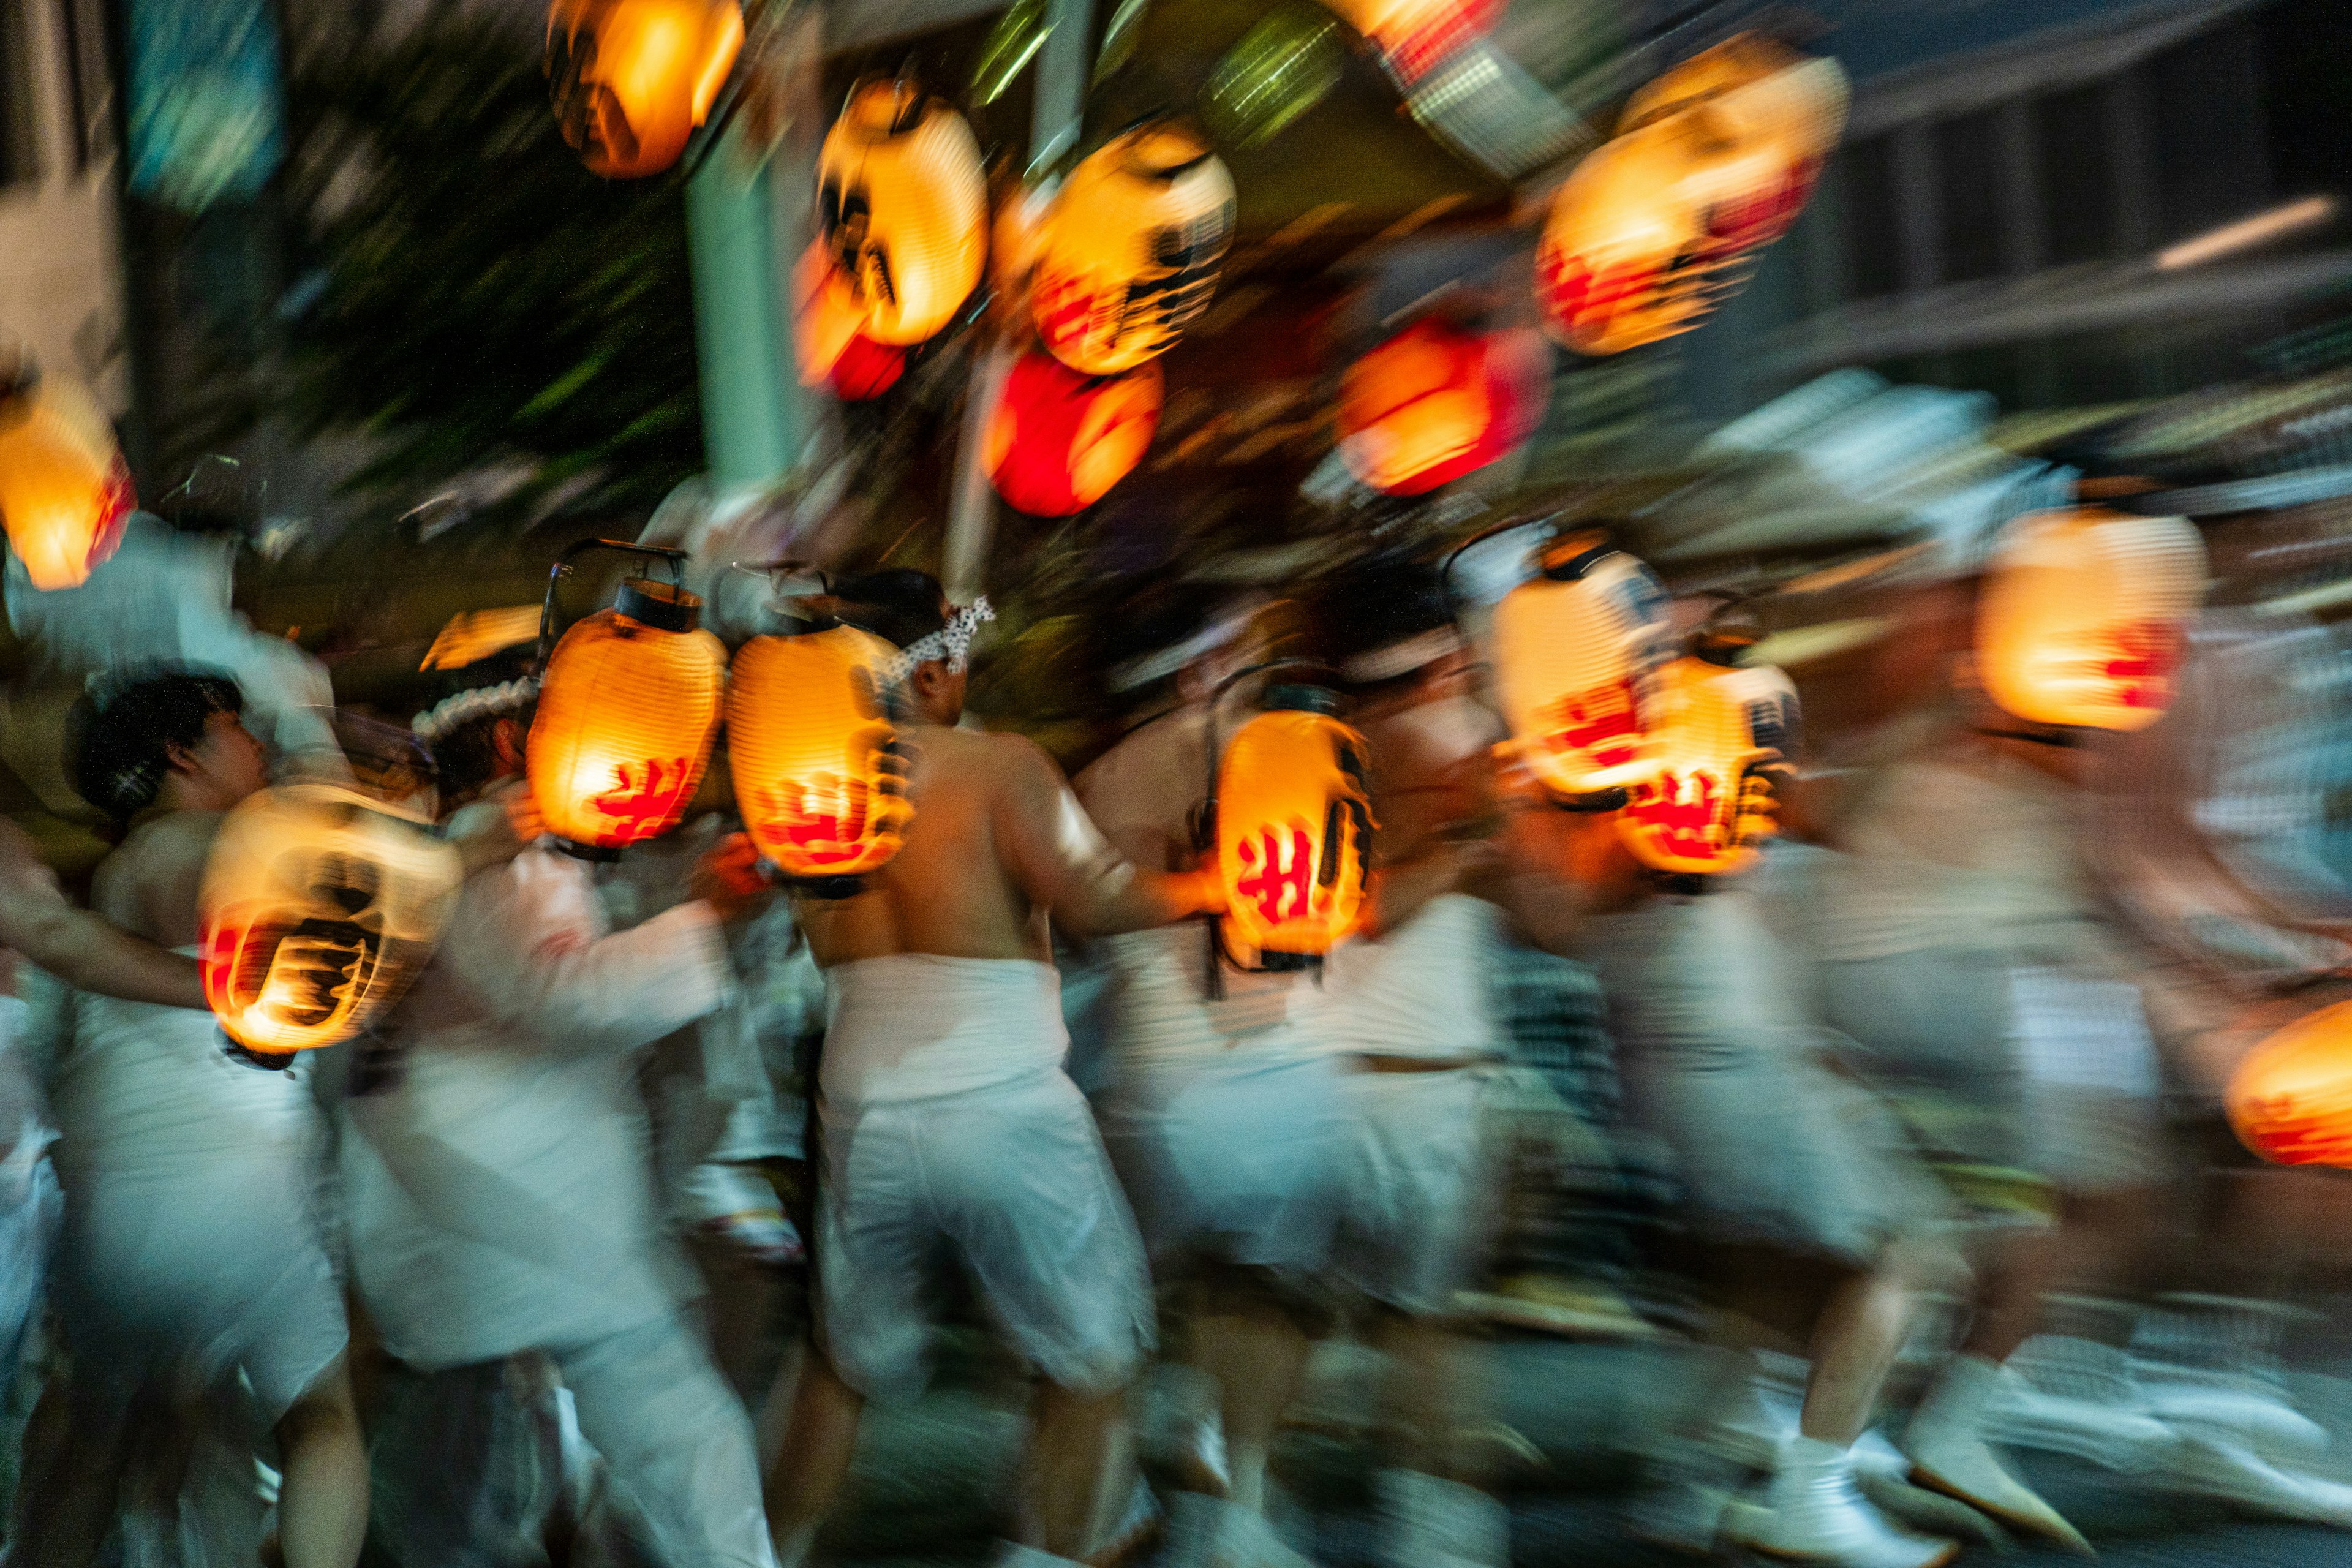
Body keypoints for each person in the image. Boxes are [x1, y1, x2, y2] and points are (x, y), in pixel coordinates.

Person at [763, 569, 1222, 1568]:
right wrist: (1215, 884)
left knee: (843, 1365)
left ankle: (765, 1553)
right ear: (930, 675)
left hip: (861, 1110)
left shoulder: (799, 791)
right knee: (1096, 1360)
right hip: (1004, 1101)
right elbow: (1096, 899)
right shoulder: (997, 765)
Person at [338, 674, 782, 1568]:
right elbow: (561, 994)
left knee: (462, 1448)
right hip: (520, 1186)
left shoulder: (431, 851)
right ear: (511, 740)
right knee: (677, 1431)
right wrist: (709, 916)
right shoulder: (508, 851)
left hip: (445, 1178)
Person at [12, 671, 366, 1568]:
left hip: (107, 1211)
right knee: (320, 1419)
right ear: (182, 755)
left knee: (97, 1439)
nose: (256, 748)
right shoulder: (211, 844)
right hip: (238, 1189)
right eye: (235, 730)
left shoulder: (106, 882)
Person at [1286, 555, 1593, 1568]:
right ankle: (1439, 1541)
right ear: (1444, 653)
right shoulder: (1453, 748)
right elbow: (1366, 916)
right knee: (1428, 1332)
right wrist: (1484, 839)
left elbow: (1544, 916)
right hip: (1417, 1086)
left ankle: (1245, 1513)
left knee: (1295, 1321)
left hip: (1325, 1081)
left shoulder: (1302, 752)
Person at [1074, 584, 1345, 1568]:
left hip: (1148, 1083)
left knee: (1122, 1307)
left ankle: (1106, 1498)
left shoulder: (1093, 780)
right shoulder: (1274, 749)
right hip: (1275, 1071)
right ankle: (1242, 1515)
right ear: (1199, 667)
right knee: (1268, 1297)